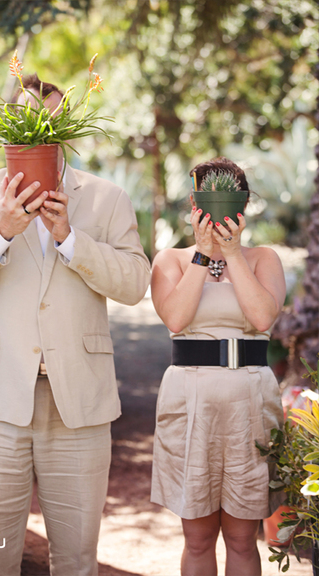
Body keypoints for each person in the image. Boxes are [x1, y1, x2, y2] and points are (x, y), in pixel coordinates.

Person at [0, 74, 151, 575]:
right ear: (9, 121)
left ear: (69, 127)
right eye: (30, 116)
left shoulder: (107, 198)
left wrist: (72, 240)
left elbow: (135, 283)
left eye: (53, 118)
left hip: (79, 400)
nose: (42, 127)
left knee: (77, 558)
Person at [150, 157, 286, 575]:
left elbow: (263, 318)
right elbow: (175, 318)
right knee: (198, 538)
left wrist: (232, 255)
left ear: (242, 206)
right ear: (193, 205)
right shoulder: (169, 261)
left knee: (245, 540)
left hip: (251, 400)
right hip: (190, 401)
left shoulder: (264, 258)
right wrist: (204, 255)